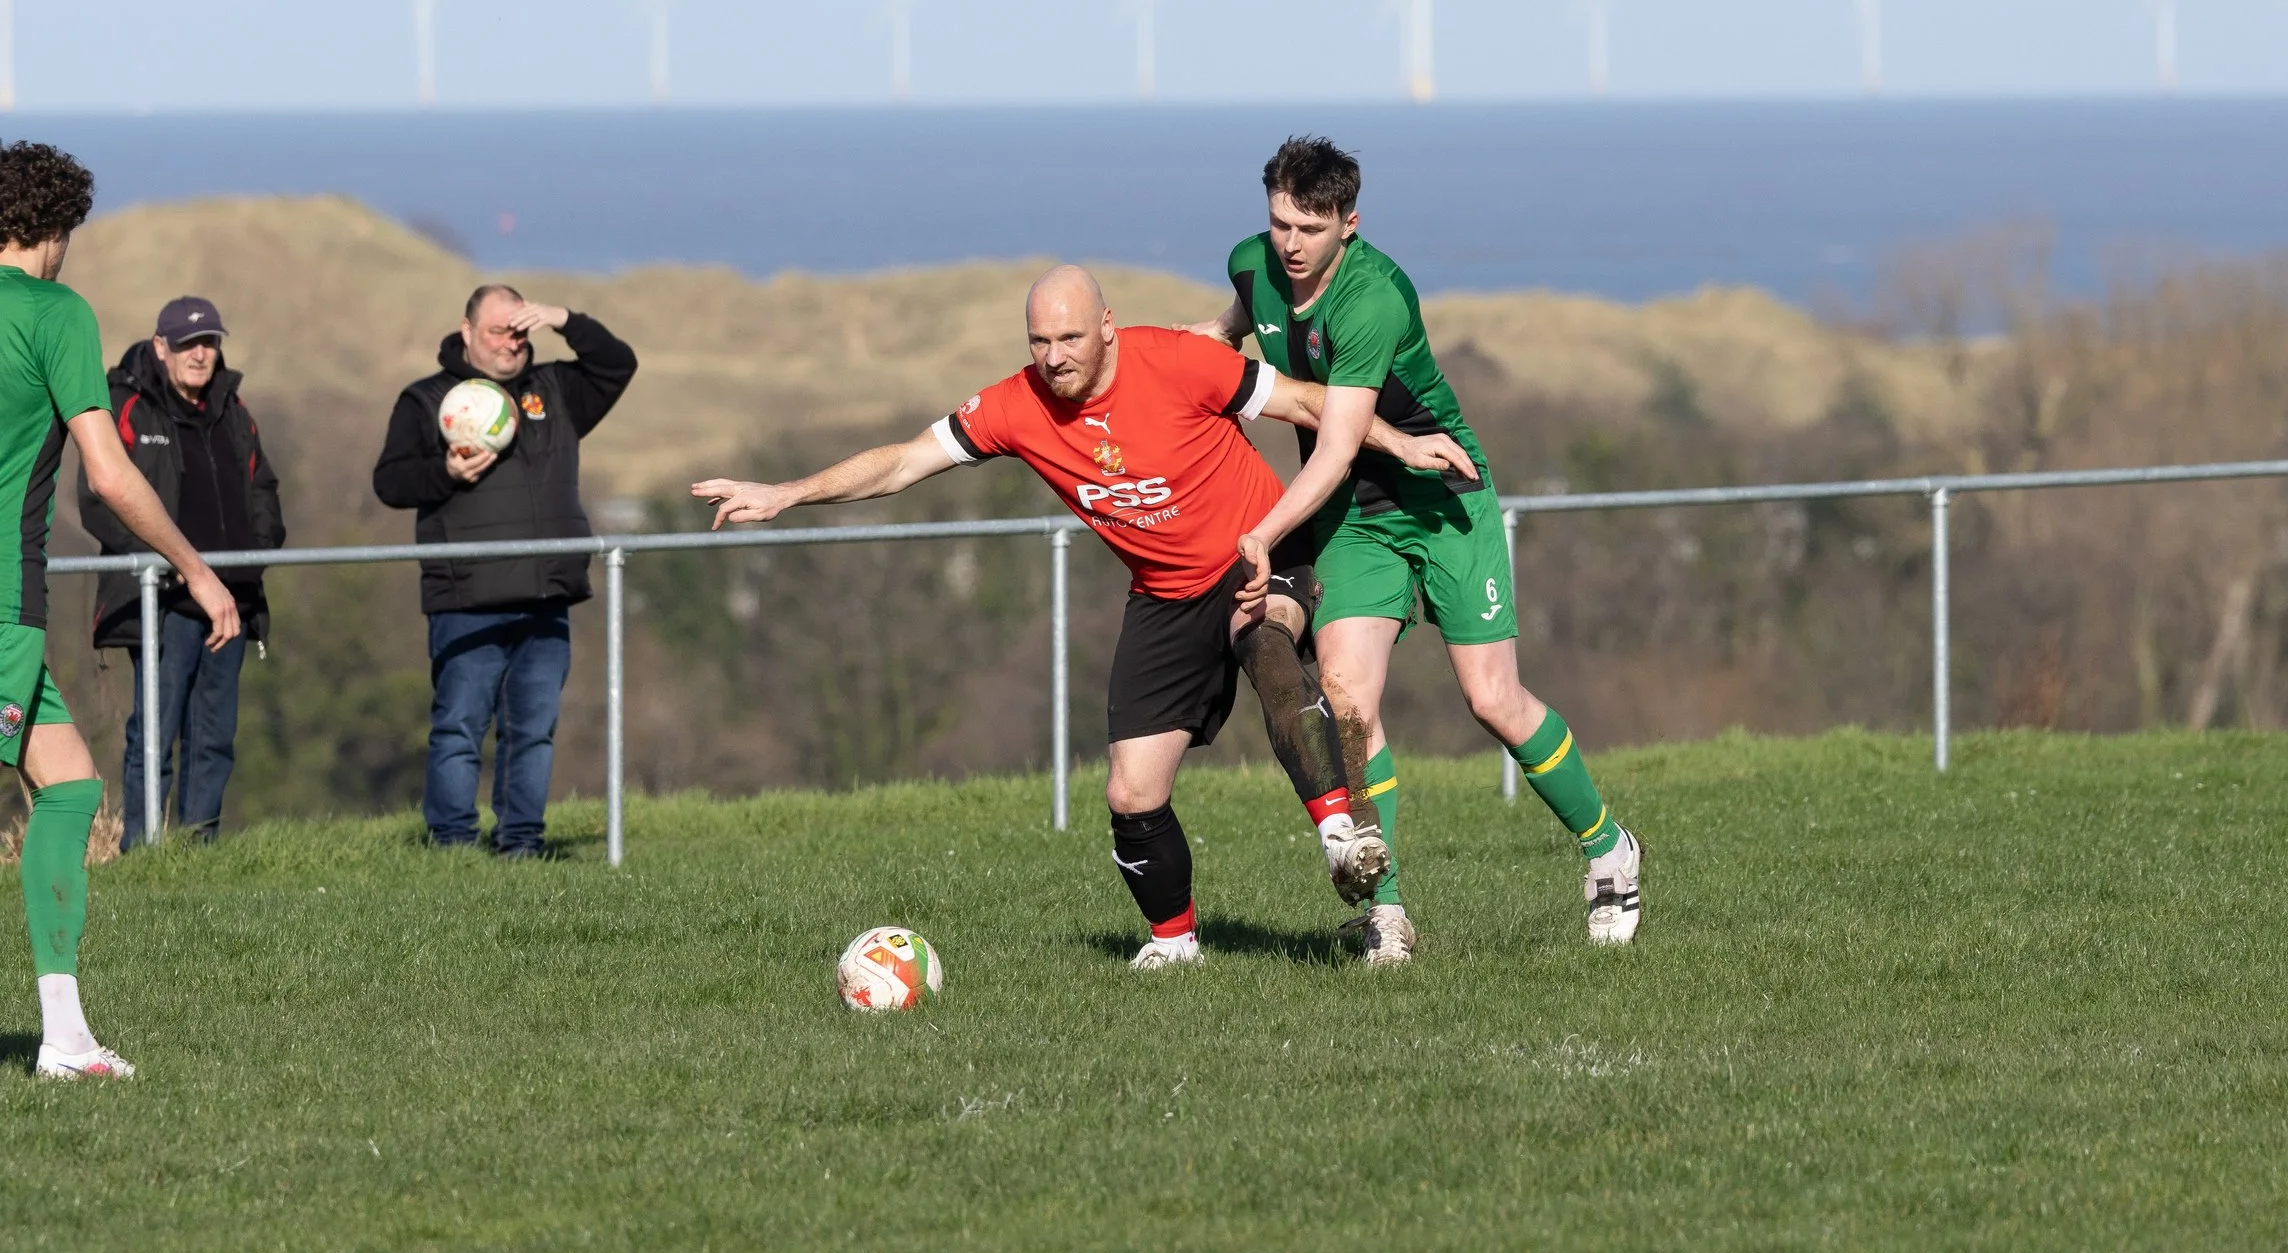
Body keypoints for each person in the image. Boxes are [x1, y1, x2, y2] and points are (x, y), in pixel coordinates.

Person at [692, 266, 1476, 969]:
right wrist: (786, 493)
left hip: (1261, 553)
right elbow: (902, 461)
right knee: (1132, 794)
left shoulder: (1177, 359)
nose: (1054, 354)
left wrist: (1401, 445)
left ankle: (1343, 836)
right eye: (1039, 340)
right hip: (1163, 597)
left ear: (1107, 326)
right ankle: (1175, 941)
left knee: (1264, 636)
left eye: (1070, 336)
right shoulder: (1014, 406)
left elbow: (1310, 402)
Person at [1196, 135, 1645, 962]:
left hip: (1442, 500)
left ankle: (1609, 849)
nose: (1289, 244)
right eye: (1278, 223)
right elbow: (1227, 333)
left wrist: (1262, 532)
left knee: (1492, 700)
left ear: (1349, 225)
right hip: (1355, 520)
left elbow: (1334, 443)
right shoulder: (1253, 263)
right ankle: (1388, 915)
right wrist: (1146, 368)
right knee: (1350, 706)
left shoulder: (1374, 299)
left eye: (1308, 227)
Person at [0, 142, 242, 1079]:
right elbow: (108, 472)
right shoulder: (55, 312)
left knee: (71, 788)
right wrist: (196, 568)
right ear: (56, 232)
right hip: (4, 603)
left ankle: (63, 1039)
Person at [372, 285, 636, 858]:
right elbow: (389, 482)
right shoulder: (426, 400)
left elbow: (618, 363)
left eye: (521, 330)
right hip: (468, 597)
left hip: (547, 594)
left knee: (533, 731)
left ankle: (521, 844)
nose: (512, 342)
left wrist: (565, 319)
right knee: (459, 729)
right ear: (466, 332)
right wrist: (443, 473)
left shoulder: (556, 391)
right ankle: (453, 847)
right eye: (498, 330)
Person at [80, 295, 285, 849]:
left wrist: (253, 558)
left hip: (232, 602)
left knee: (215, 737)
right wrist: (167, 565)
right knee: (154, 733)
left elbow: (263, 489)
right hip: (161, 600)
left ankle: (199, 855)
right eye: (189, 343)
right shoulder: (125, 405)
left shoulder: (234, 411)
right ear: (160, 347)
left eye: (210, 342)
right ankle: (144, 854)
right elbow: (99, 501)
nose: (201, 354)